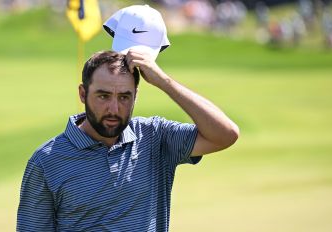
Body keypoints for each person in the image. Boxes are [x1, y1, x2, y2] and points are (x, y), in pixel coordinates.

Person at [16, 49, 239, 231]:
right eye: (103, 96)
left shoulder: (155, 136)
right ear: (83, 94)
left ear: (136, 96)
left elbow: (226, 134)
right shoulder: (46, 162)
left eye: (124, 97)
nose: (114, 109)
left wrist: (163, 81)